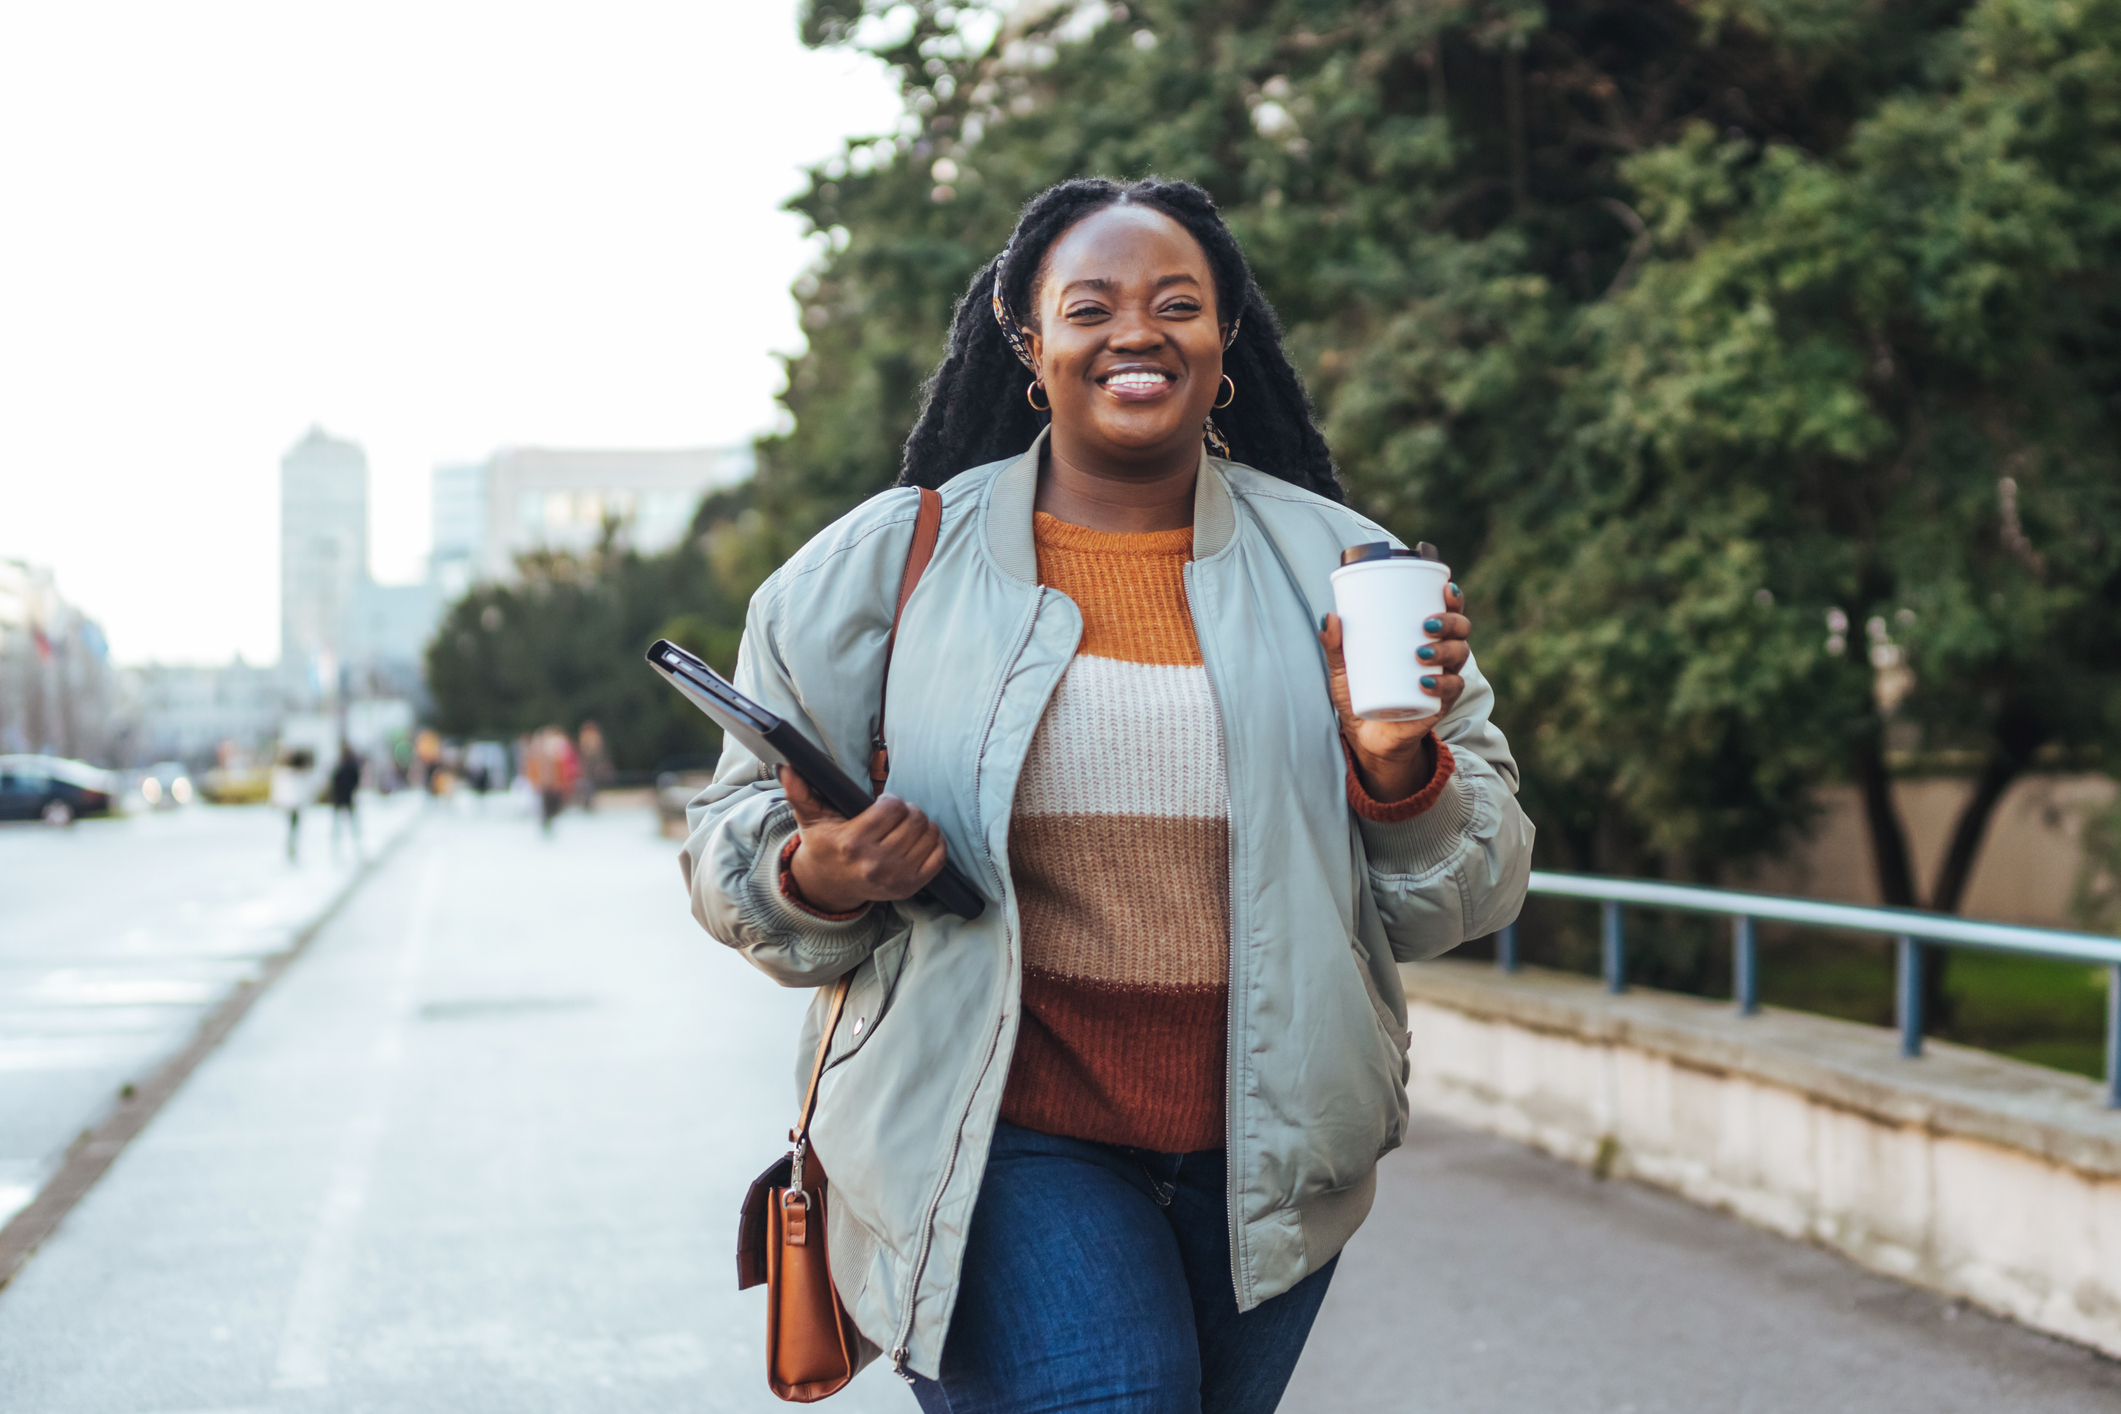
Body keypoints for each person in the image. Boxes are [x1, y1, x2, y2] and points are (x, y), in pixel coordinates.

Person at [681, 178, 1534, 1411]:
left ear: (1223, 340)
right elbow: (731, 833)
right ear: (1029, 342)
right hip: (997, 1137)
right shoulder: (886, 561)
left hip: (1269, 1155)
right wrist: (816, 872)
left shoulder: (1347, 568)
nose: (1138, 330)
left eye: (1177, 303)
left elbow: (1472, 886)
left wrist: (1398, 764)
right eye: (1092, 307)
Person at [269, 746, 316, 863]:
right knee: (293, 827)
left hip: (291, 805)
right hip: (293, 805)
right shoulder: (292, 775)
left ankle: (291, 847)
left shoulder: (286, 774)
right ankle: (291, 847)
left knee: (292, 827)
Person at [328, 742, 361, 857]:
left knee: (341, 823)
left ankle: (341, 845)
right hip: (347, 797)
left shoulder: (340, 767)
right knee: (349, 823)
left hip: (340, 797)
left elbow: (333, 781)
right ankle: (352, 844)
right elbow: (356, 781)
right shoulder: (351, 766)